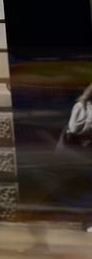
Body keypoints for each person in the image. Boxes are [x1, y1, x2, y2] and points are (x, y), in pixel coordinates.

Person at [58, 82, 92, 232]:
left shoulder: (80, 105)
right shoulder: (83, 107)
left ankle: (87, 222)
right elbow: (74, 129)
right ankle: (88, 223)